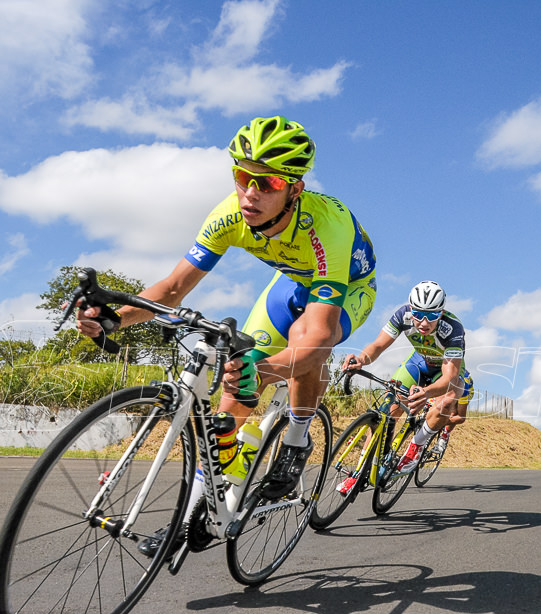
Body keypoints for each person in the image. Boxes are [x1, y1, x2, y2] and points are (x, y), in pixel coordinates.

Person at [77, 115, 377, 509]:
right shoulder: (229, 215)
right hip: (291, 282)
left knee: (302, 341)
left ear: (294, 189)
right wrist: (115, 318)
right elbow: (171, 289)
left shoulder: (326, 227)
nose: (250, 193)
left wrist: (267, 371)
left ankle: (297, 438)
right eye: (241, 177)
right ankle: (200, 504)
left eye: (267, 182)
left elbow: (320, 337)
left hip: (349, 287)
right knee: (238, 379)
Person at [343, 281, 470, 476]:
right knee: (389, 405)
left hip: (444, 369)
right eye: (418, 315)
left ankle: (416, 447)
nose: (424, 323)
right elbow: (378, 346)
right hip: (418, 362)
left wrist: (425, 393)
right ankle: (360, 470)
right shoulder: (403, 314)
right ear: (411, 309)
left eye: (432, 316)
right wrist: (361, 359)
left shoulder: (453, 329)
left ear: (441, 313)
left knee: (448, 400)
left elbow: (449, 377)